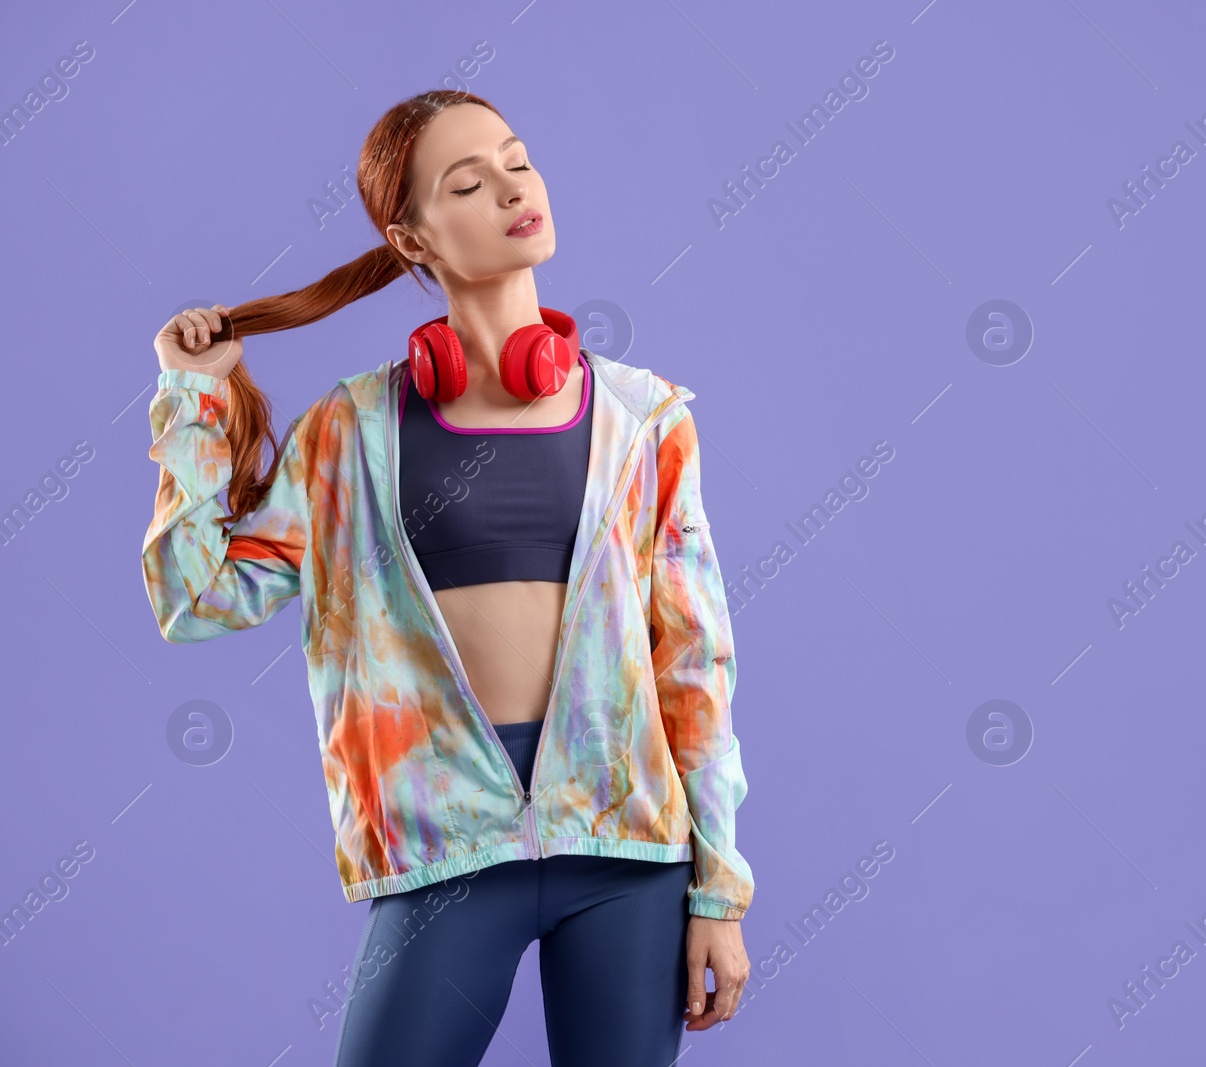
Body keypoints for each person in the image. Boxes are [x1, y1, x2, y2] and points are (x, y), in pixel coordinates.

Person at [141, 89, 753, 1066]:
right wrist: (195, 399)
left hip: (629, 849)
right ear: (412, 237)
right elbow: (197, 597)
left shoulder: (643, 421)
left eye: (518, 160)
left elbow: (693, 662)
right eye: (468, 182)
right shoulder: (353, 433)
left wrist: (718, 889)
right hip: (446, 845)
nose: (512, 188)